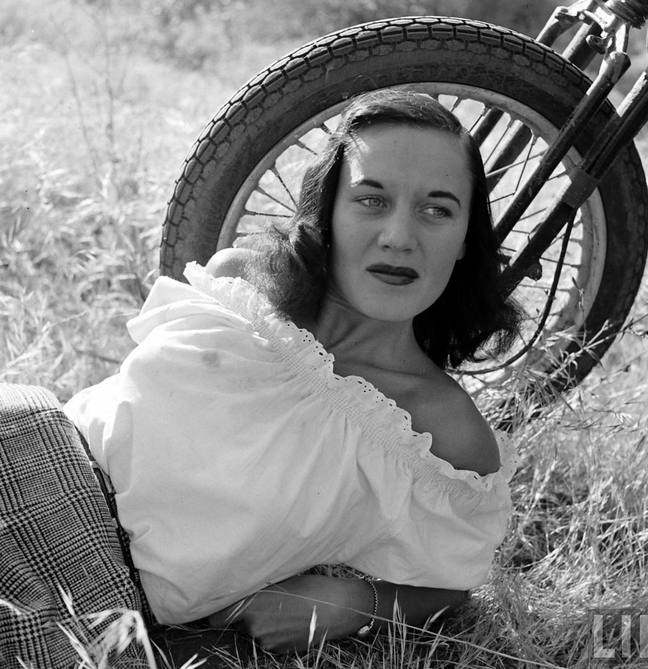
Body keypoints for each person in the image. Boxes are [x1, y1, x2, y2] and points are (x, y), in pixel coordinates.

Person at [4, 89, 521, 660]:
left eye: (437, 209)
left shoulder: (435, 427)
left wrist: (353, 602)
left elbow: (452, 579)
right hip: (29, 440)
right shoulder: (240, 284)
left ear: (465, 241)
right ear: (326, 214)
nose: (400, 236)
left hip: (97, 604)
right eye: (371, 200)